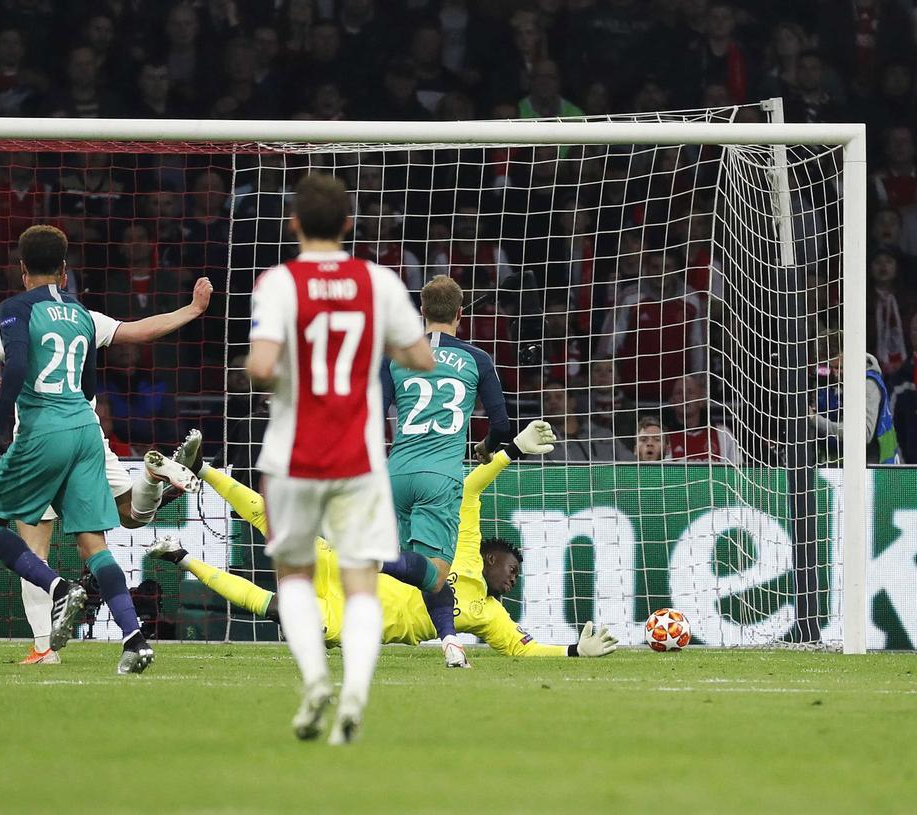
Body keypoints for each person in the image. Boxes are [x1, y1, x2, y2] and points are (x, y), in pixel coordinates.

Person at [0, 273, 212, 664]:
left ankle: (44, 646)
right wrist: (192, 310)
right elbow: (140, 331)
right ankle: (135, 630)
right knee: (122, 526)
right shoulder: (83, 316)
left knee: (28, 548)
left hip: (39, 443)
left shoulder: (15, 319)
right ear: (64, 273)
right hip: (87, 435)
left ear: (23, 272)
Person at [245, 172, 434, 744]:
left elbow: (260, 367)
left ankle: (314, 680)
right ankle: (355, 690)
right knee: (360, 582)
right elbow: (421, 357)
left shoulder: (279, 283)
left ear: (294, 224)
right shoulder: (378, 281)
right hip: (359, 457)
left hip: (293, 456)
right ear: (349, 223)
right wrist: (384, 342)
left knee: (294, 576)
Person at [151, 429, 618, 659]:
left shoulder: (489, 615)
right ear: (491, 558)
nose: (513, 580)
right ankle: (204, 468)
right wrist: (509, 453)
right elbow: (470, 490)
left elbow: (522, 649)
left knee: (274, 607)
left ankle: (182, 557)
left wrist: (573, 652)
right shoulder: (465, 547)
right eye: (512, 569)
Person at [380, 274, 514, 668]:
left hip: (396, 474)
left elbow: (373, 414)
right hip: (439, 478)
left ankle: (450, 643)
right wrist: (485, 448)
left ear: (421, 311)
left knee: (426, 573)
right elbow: (502, 427)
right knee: (436, 571)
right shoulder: (476, 359)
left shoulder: (394, 358)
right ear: (460, 313)